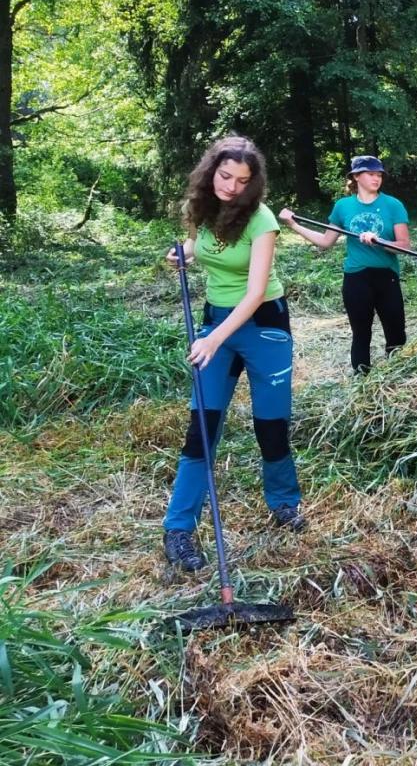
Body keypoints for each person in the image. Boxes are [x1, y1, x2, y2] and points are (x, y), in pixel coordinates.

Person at [162, 136, 304, 574]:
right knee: (200, 429)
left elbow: (256, 290)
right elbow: (203, 246)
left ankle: (283, 504)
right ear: (212, 172)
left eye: (242, 181)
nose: (232, 186)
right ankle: (178, 529)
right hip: (216, 321)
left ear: (252, 183)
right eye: (225, 176)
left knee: (271, 425)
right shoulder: (203, 210)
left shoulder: (261, 220)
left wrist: (213, 340)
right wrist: (182, 254)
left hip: (262, 325)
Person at [279, 155, 411, 373]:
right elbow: (325, 242)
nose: (376, 178)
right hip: (356, 278)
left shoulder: (393, 205)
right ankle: (361, 379)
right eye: (370, 174)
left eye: (379, 175)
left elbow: (405, 246)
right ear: (356, 177)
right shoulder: (343, 206)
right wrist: (293, 224)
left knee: (396, 333)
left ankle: (397, 377)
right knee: (361, 333)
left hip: (387, 276)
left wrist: (381, 241)